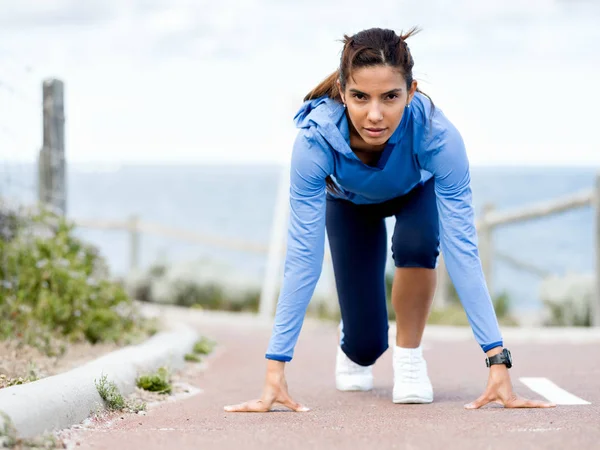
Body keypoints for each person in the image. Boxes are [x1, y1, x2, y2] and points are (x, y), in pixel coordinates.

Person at [224, 27, 555, 412]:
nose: (375, 114)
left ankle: (410, 358)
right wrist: (275, 370)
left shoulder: (438, 137)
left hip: (415, 192)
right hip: (349, 204)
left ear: (410, 93)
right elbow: (303, 260)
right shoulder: (314, 142)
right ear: (343, 92)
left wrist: (497, 360)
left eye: (391, 97)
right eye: (361, 97)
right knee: (365, 347)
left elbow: (463, 251)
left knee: (418, 244)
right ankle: (355, 336)